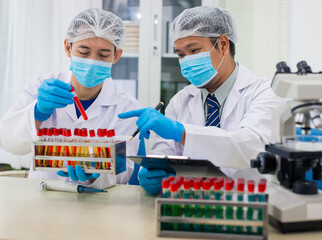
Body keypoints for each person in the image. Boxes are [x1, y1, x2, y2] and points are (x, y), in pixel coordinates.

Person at [118, 6, 282, 194]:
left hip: (246, 206)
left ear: (223, 44)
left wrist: (180, 132)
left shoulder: (265, 92)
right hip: (190, 206)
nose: (186, 60)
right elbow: (163, 154)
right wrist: (152, 173)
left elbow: (249, 146)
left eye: (194, 50)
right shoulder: (181, 101)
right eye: (180, 54)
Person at [0, 8, 142, 189]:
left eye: (103, 55)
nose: (92, 61)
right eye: (84, 52)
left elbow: (126, 170)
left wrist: (95, 177)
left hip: (98, 204)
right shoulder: (39, 86)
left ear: (116, 56)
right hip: (43, 197)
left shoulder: (126, 107)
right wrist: (37, 112)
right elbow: (8, 141)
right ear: (68, 48)